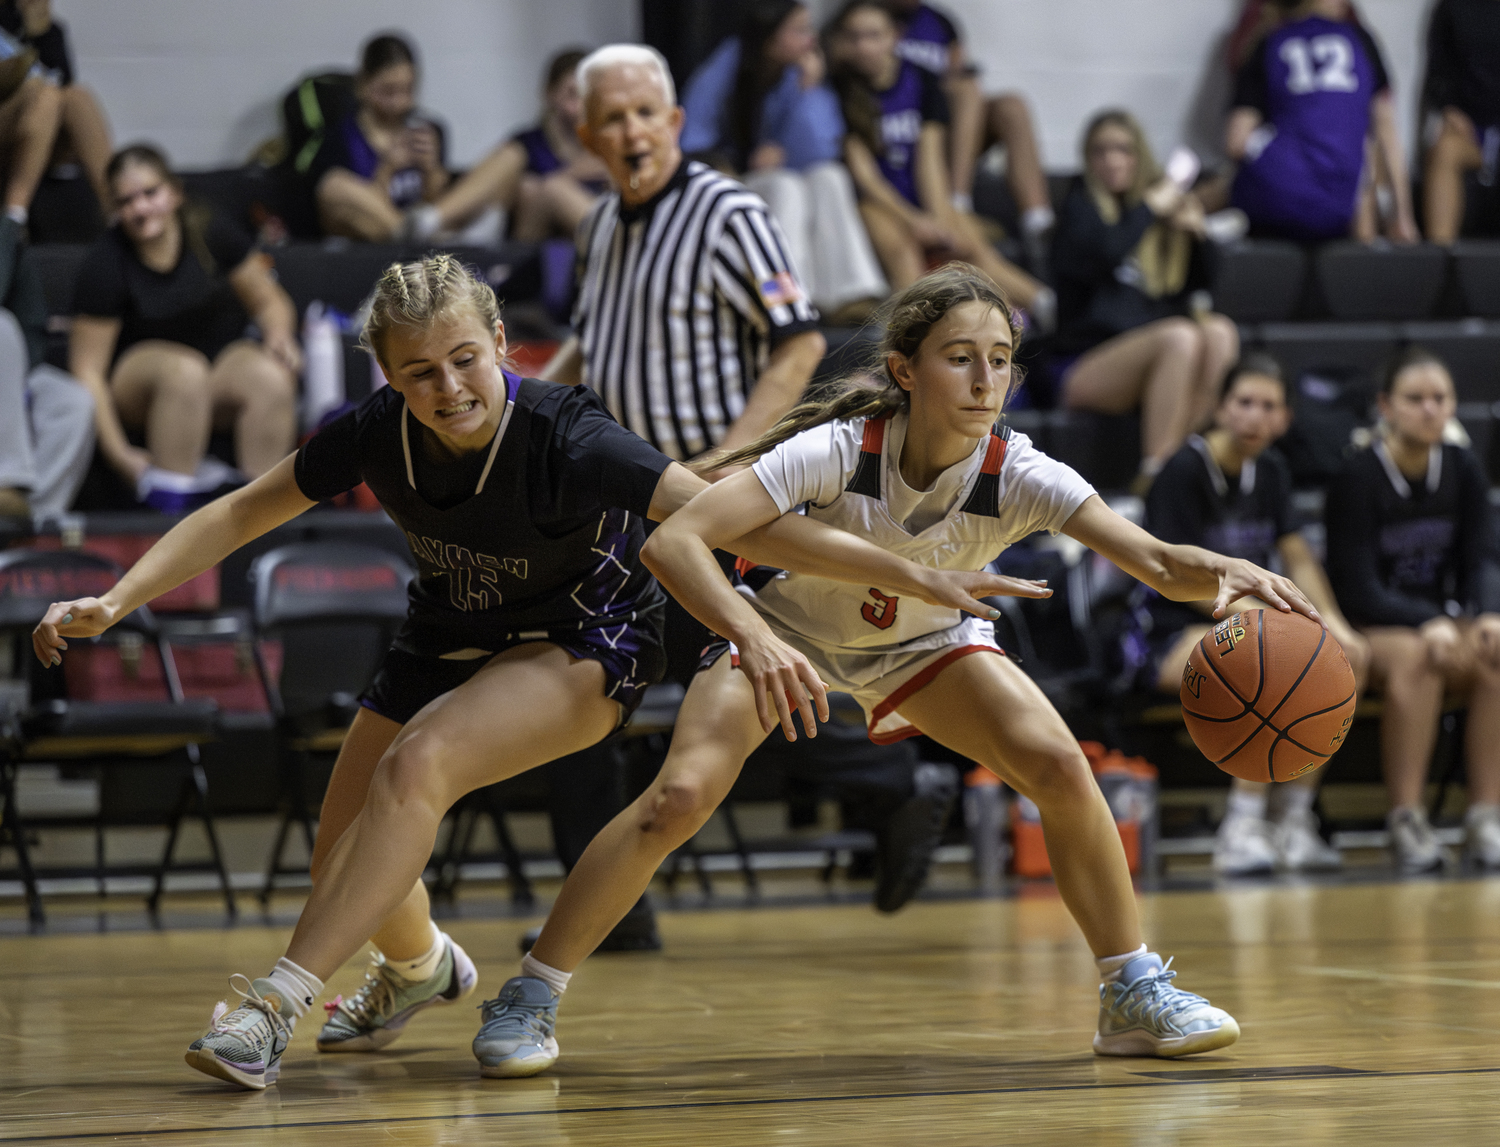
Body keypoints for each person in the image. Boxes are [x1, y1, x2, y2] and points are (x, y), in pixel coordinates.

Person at [32, 254, 1004, 1089]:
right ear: (388, 375)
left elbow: (728, 518)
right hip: (448, 632)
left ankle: (273, 1010)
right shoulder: (378, 431)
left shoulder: (566, 431)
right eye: (421, 372)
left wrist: (889, 576)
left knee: (417, 767)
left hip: (586, 640)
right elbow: (243, 510)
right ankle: (416, 968)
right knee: (349, 849)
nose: (451, 387)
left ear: (500, 340)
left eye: (465, 359)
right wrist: (119, 598)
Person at [465, 264, 1324, 1077]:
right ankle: (530, 992)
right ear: (905, 370)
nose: (986, 379)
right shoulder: (840, 448)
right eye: (961, 359)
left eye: (1000, 362)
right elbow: (674, 542)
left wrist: (1222, 572)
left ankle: (1129, 989)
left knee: (1062, 767)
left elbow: (1154, 561)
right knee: (677, 799)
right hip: (787, 628)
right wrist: (754, 639)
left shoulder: (1019, 471)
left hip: (922, 646)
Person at [1140, 353, 1369, 875]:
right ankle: (1241, 826)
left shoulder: (1272, 470)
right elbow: (1175, 576)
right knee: (1265, 660)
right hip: (1163, 627)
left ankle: (1293, 819)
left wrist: (1330, 620)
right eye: (1244, 402)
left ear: (1285, 419)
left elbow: (1297, 557)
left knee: (1348, 655)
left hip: (1243, 618)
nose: (1255, 417)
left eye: (1269, 406)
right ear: (1220, 408)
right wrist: (1271, 620)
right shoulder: (1183, 469)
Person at [545, 44, 827, 465]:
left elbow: (801, 345)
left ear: (675, 122)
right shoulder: (596, 224)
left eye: (646, 112)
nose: (633, 132)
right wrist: (524, 400)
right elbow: (590, 343)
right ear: (588, 139)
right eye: (613, 119)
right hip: (632, 489)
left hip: (720, 481)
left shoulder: (729, 213)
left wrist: (727, 461)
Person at [1325, 347, 1500, 873]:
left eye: (1440, 398)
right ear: (1386, 406)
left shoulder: (1463, 467)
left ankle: (1485, 816)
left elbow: (1483, 557)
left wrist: (1489, 612)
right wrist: (1426, 621)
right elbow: (1354, 585)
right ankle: (1406, 819)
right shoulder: (1357, 475)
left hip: (1440, 619)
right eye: (1415, 398)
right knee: (1419, 658)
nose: (1430, 409)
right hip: (1369, 626)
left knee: (1496, 650)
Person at [68, 145, 300, 512]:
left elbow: (268, 300)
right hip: (138, 382)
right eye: (126, 201)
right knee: (185, 372)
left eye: (150, 193)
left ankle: (262, 513)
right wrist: (120, 455)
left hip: (217, 365)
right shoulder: (105, 264)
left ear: (174, 193)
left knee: (269, 376)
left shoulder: (209, 229)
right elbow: (87, 373)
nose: (140, 209)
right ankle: (174, 509)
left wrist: (279, 336)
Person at [824, 0, 1051, 326]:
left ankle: (1042, 305)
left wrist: (940, 215)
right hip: (875, 202)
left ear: (894, 37)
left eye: (873, 36)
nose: (864, 47)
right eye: (855, 37)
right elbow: (865, 177)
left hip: (919, 190)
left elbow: (929, 159)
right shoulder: (840, 91)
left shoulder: (923, 81)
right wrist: (914, 221)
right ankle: (914, 335)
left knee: (966, 241)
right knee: (902, 248)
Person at [1052, 110, 1238, 489]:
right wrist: (1151, 208)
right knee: (1179, 336)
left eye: (1122, 149)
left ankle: (1185, 463)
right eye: (1100, 152)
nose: (1112, 160)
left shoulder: (1156, 221)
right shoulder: (1080, 209)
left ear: (1139, 156)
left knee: (1220, 332)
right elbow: (1106, 253)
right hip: (1084, 361)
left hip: (1161, 359)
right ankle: (1157, 477)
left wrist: (1197, 235)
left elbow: (1207, 288)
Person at [679, 0, 888, 322]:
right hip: (731, 185)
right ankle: (787, 300)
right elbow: (691, 142)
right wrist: (737, 165)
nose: (811, 39)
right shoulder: (727, 66)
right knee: (786, 185)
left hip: (788, 178)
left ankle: (850, 293)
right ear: (769, 38)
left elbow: (822, 149)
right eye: (799, 30)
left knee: (830, 176)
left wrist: (809, 91)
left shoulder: (802, 73)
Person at [1226, 0, 1416, 243]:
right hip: (1337, 207)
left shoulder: (1269, 40)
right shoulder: (1359, 39)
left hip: (1274, 198)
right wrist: (1402, 216)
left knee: (1220, 186)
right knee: (1359, 155)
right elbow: (1386, 130)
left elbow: (1236, 142)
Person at [883, 0, 1054, 266]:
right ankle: (957, 202)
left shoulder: (940, 21)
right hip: (906, 128)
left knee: (1011, 106)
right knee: (966, 91)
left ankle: (1038, 222)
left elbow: (957, 65)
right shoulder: (867, 17)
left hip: (948, 128)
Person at [404, 48, 609, 245]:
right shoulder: (530, 143)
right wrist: (571, 174)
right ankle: (432, 220)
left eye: (587, 95)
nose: (579, 105)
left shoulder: (607, 143)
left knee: (550, 189)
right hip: (538, 239)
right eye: (572, 94)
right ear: (550, 93)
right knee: (523, 178)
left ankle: (446, 225)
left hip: (598, 232)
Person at [312, 34, 451, 243]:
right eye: (388, 91)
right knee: (334, 185)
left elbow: (438, 206)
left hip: (425, 240)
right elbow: (355, 214)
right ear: (363, 85)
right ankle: (408, 239)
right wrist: (388, 168)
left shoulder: (428, 131)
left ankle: (413, 242)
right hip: (368, 246)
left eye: (407, 90)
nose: (399, 102)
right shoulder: (343, 138)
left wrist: (430, 169)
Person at [0, 234, 92, 529]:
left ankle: (29, 523)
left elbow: (33, 324)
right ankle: (8, 482)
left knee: (73, 402)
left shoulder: (5, 234)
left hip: (11, 367)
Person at [0, 0, 113, 218]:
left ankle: (117, 208)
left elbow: (64, 83)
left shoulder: (52, 31)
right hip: (7, 125)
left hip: (39, 131)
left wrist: (39, 34)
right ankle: (13, 216)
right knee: (46, 95)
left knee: (77, 97)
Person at [1420, 0, 1500, 245]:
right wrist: (1450, 109)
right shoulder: (1451, 8)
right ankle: (1442, 267)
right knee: (1445, 150)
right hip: (1472, 129)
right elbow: (1438, 73)